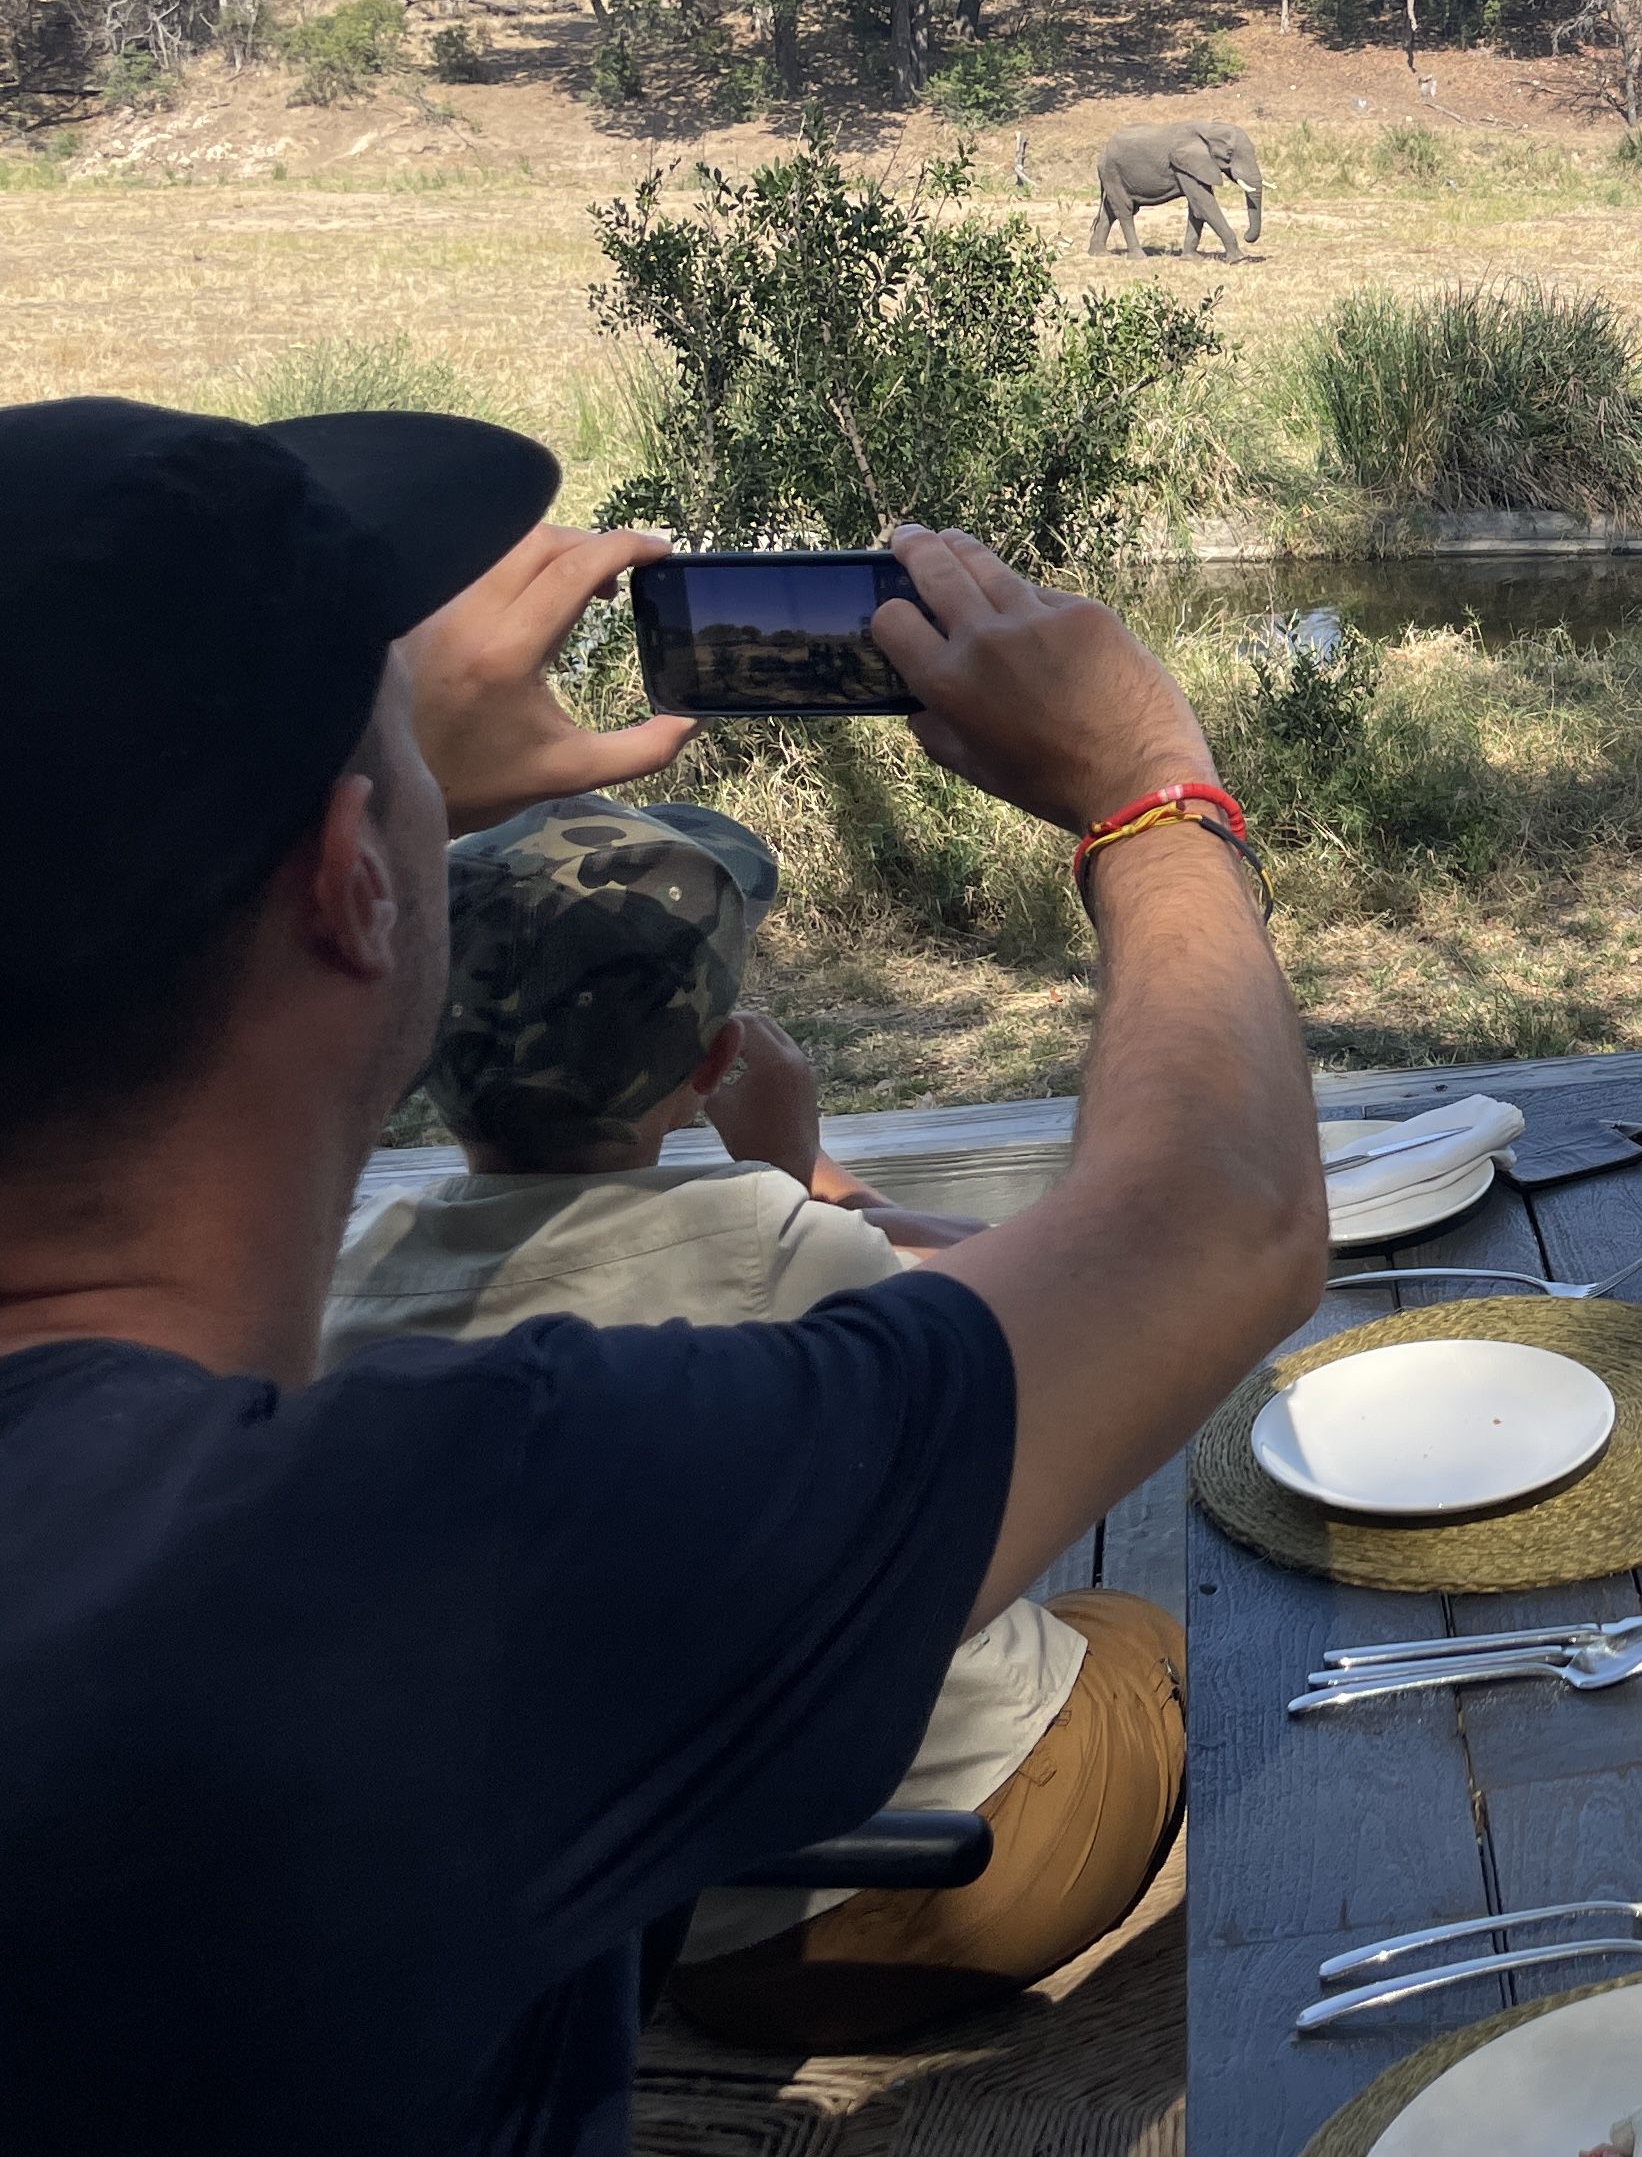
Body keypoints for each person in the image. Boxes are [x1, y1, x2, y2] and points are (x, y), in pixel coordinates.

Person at [0, 398, 1321, 2155]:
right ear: (353, 880)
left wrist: (388, 802)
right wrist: (1148, 779)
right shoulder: (408, 1543)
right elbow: (1217, 1217)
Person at [324, 793, 1180, 2051]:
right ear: (715, 1064)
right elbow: (1036, 1295)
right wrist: (799, 1173)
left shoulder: (348, 1291)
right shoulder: (779, 1250)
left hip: (653, 1938)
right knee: (1139, 1628)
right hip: (950, 1881)